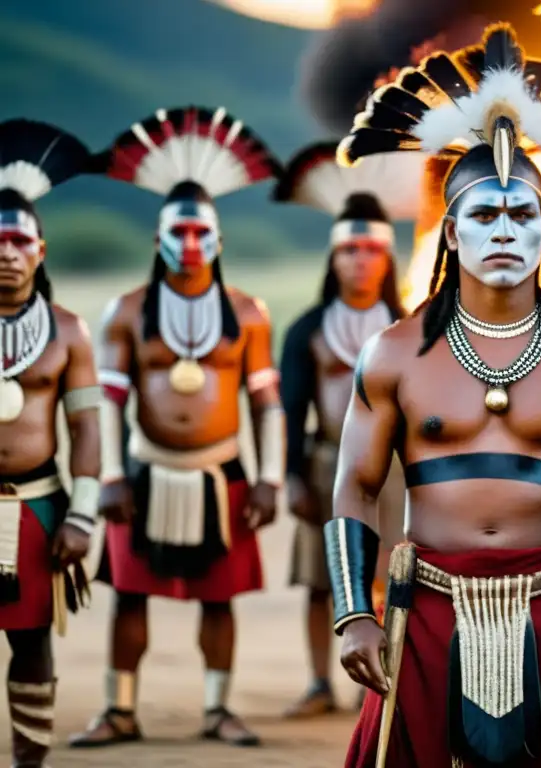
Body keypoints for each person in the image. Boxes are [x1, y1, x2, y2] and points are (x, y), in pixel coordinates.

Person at [328, 23, 541, 766]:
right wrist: (352, 613)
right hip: (426, 609)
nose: (504, 230)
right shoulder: (395, 352)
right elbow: (355, 486)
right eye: (484, 214)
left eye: (522, 214)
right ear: (449, 233)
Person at [69, 106, 284, 749]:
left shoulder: (248, 313)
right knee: (130, 595)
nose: (189, 244)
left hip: (222, 470)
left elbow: (267, 404)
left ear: (216, 237)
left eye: (199, 232)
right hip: (143, 469)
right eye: (178, 232)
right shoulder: (127, 311)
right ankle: (120, 709)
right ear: (159, 236)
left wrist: (269, 478)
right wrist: (108, 473)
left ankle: (219, 709)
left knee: (220, 598)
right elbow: (107, 400)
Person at [273, 146, 408, 718]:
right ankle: (317, 682)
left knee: (389, 575)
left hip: (398, 471)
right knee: (320, 579)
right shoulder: (308, 328)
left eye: (372, 249)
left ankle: (379, 680)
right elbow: (288, 407)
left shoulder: (409, 329)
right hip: (328, 462)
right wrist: (291, 474)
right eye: (349, 250)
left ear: (387, 258)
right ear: (333, 258)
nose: (360, 260)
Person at [0, 119, 100, 767]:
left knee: (32, 641)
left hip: (38, 504)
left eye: (17, 242)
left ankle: (29, 761)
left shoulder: (67, 331)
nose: (6, 253)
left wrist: (83, 513)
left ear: (41, 250)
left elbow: (87, 428)